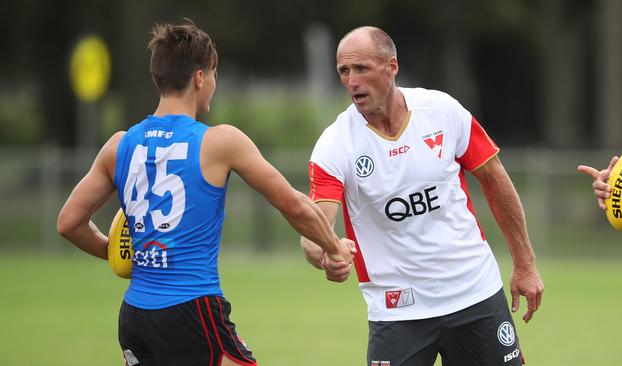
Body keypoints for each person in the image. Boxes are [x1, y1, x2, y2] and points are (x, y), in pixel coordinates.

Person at [57, 20, 354, 366]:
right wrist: (335, 248)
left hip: (135, 315)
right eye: (214, 75)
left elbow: (69, 223)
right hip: (192, 311)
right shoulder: (219, 142)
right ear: (200, 77)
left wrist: (123, 255)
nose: (214, 84)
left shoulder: (119, 145)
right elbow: (295, 206)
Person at [300, 26, 544, 366]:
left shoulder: (441, 111)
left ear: (391, 67)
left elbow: (495, 180)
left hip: (473, 293)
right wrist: (325, 253)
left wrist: (525, 263)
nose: (351, 81)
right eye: (344, 71)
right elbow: (314, 225)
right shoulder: (335, 143)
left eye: (361, 69)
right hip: (397, 311)